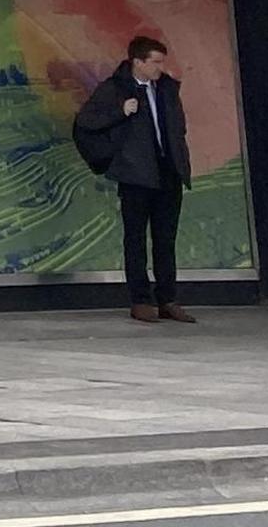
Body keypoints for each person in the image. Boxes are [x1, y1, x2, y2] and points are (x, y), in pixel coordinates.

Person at [73, 35, 194, 325]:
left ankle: (168, 298)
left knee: (166, 239)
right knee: (136, 238)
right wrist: (120, 112)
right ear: (137, 62)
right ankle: (141, 299)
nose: (160, 68)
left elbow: (178, 127)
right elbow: (86, 122)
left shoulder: (166, 88)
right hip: (135, 174)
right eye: (155, 62)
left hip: (167, 171)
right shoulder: (114, 89)